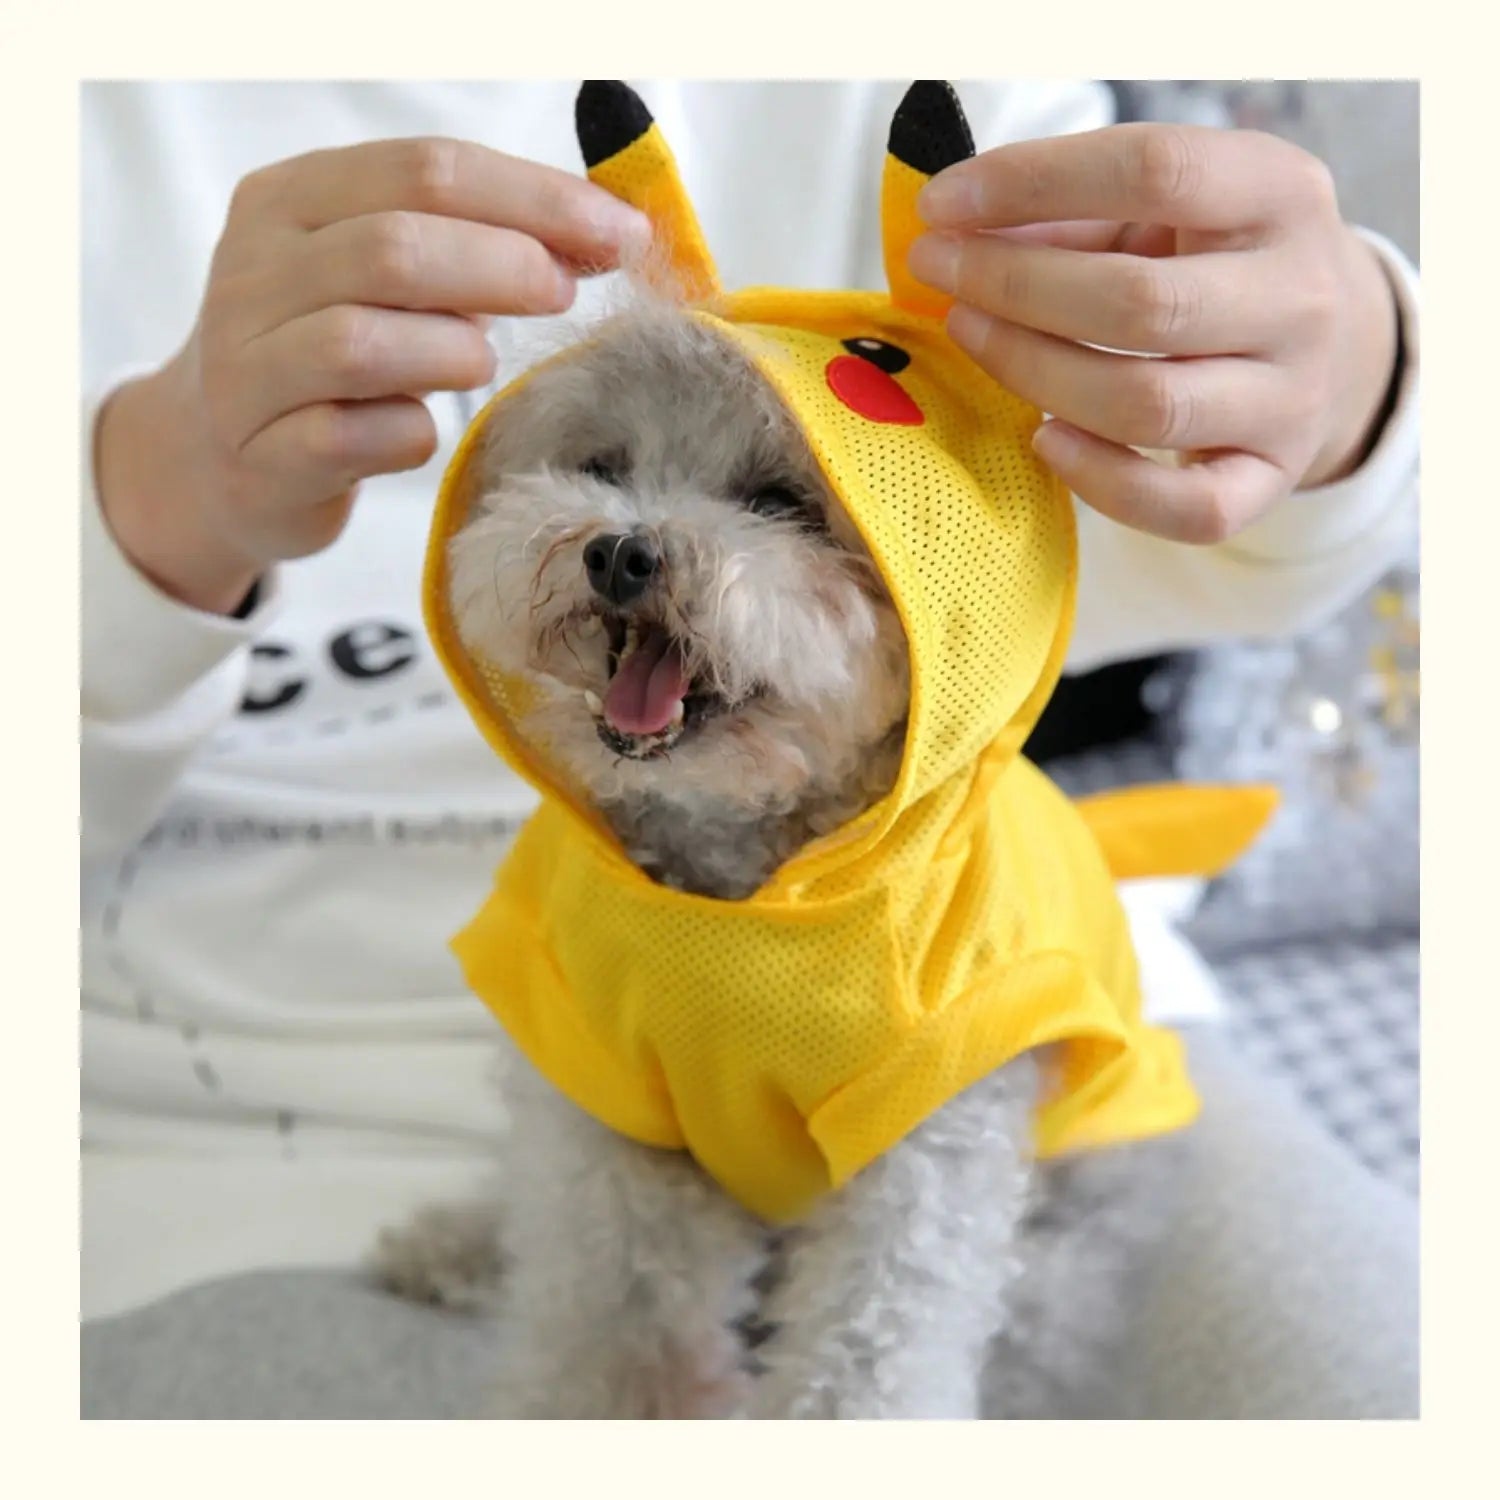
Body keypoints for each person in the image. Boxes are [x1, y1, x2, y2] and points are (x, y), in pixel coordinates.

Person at [80, 80, 1419, 1416]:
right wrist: (153, 486)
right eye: (603, 466)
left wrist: (1356, 386)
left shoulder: (954, 93)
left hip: (1041, 1150)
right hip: (224, 1109)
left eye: (779, 501)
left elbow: (1197, 522)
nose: (631, 543)